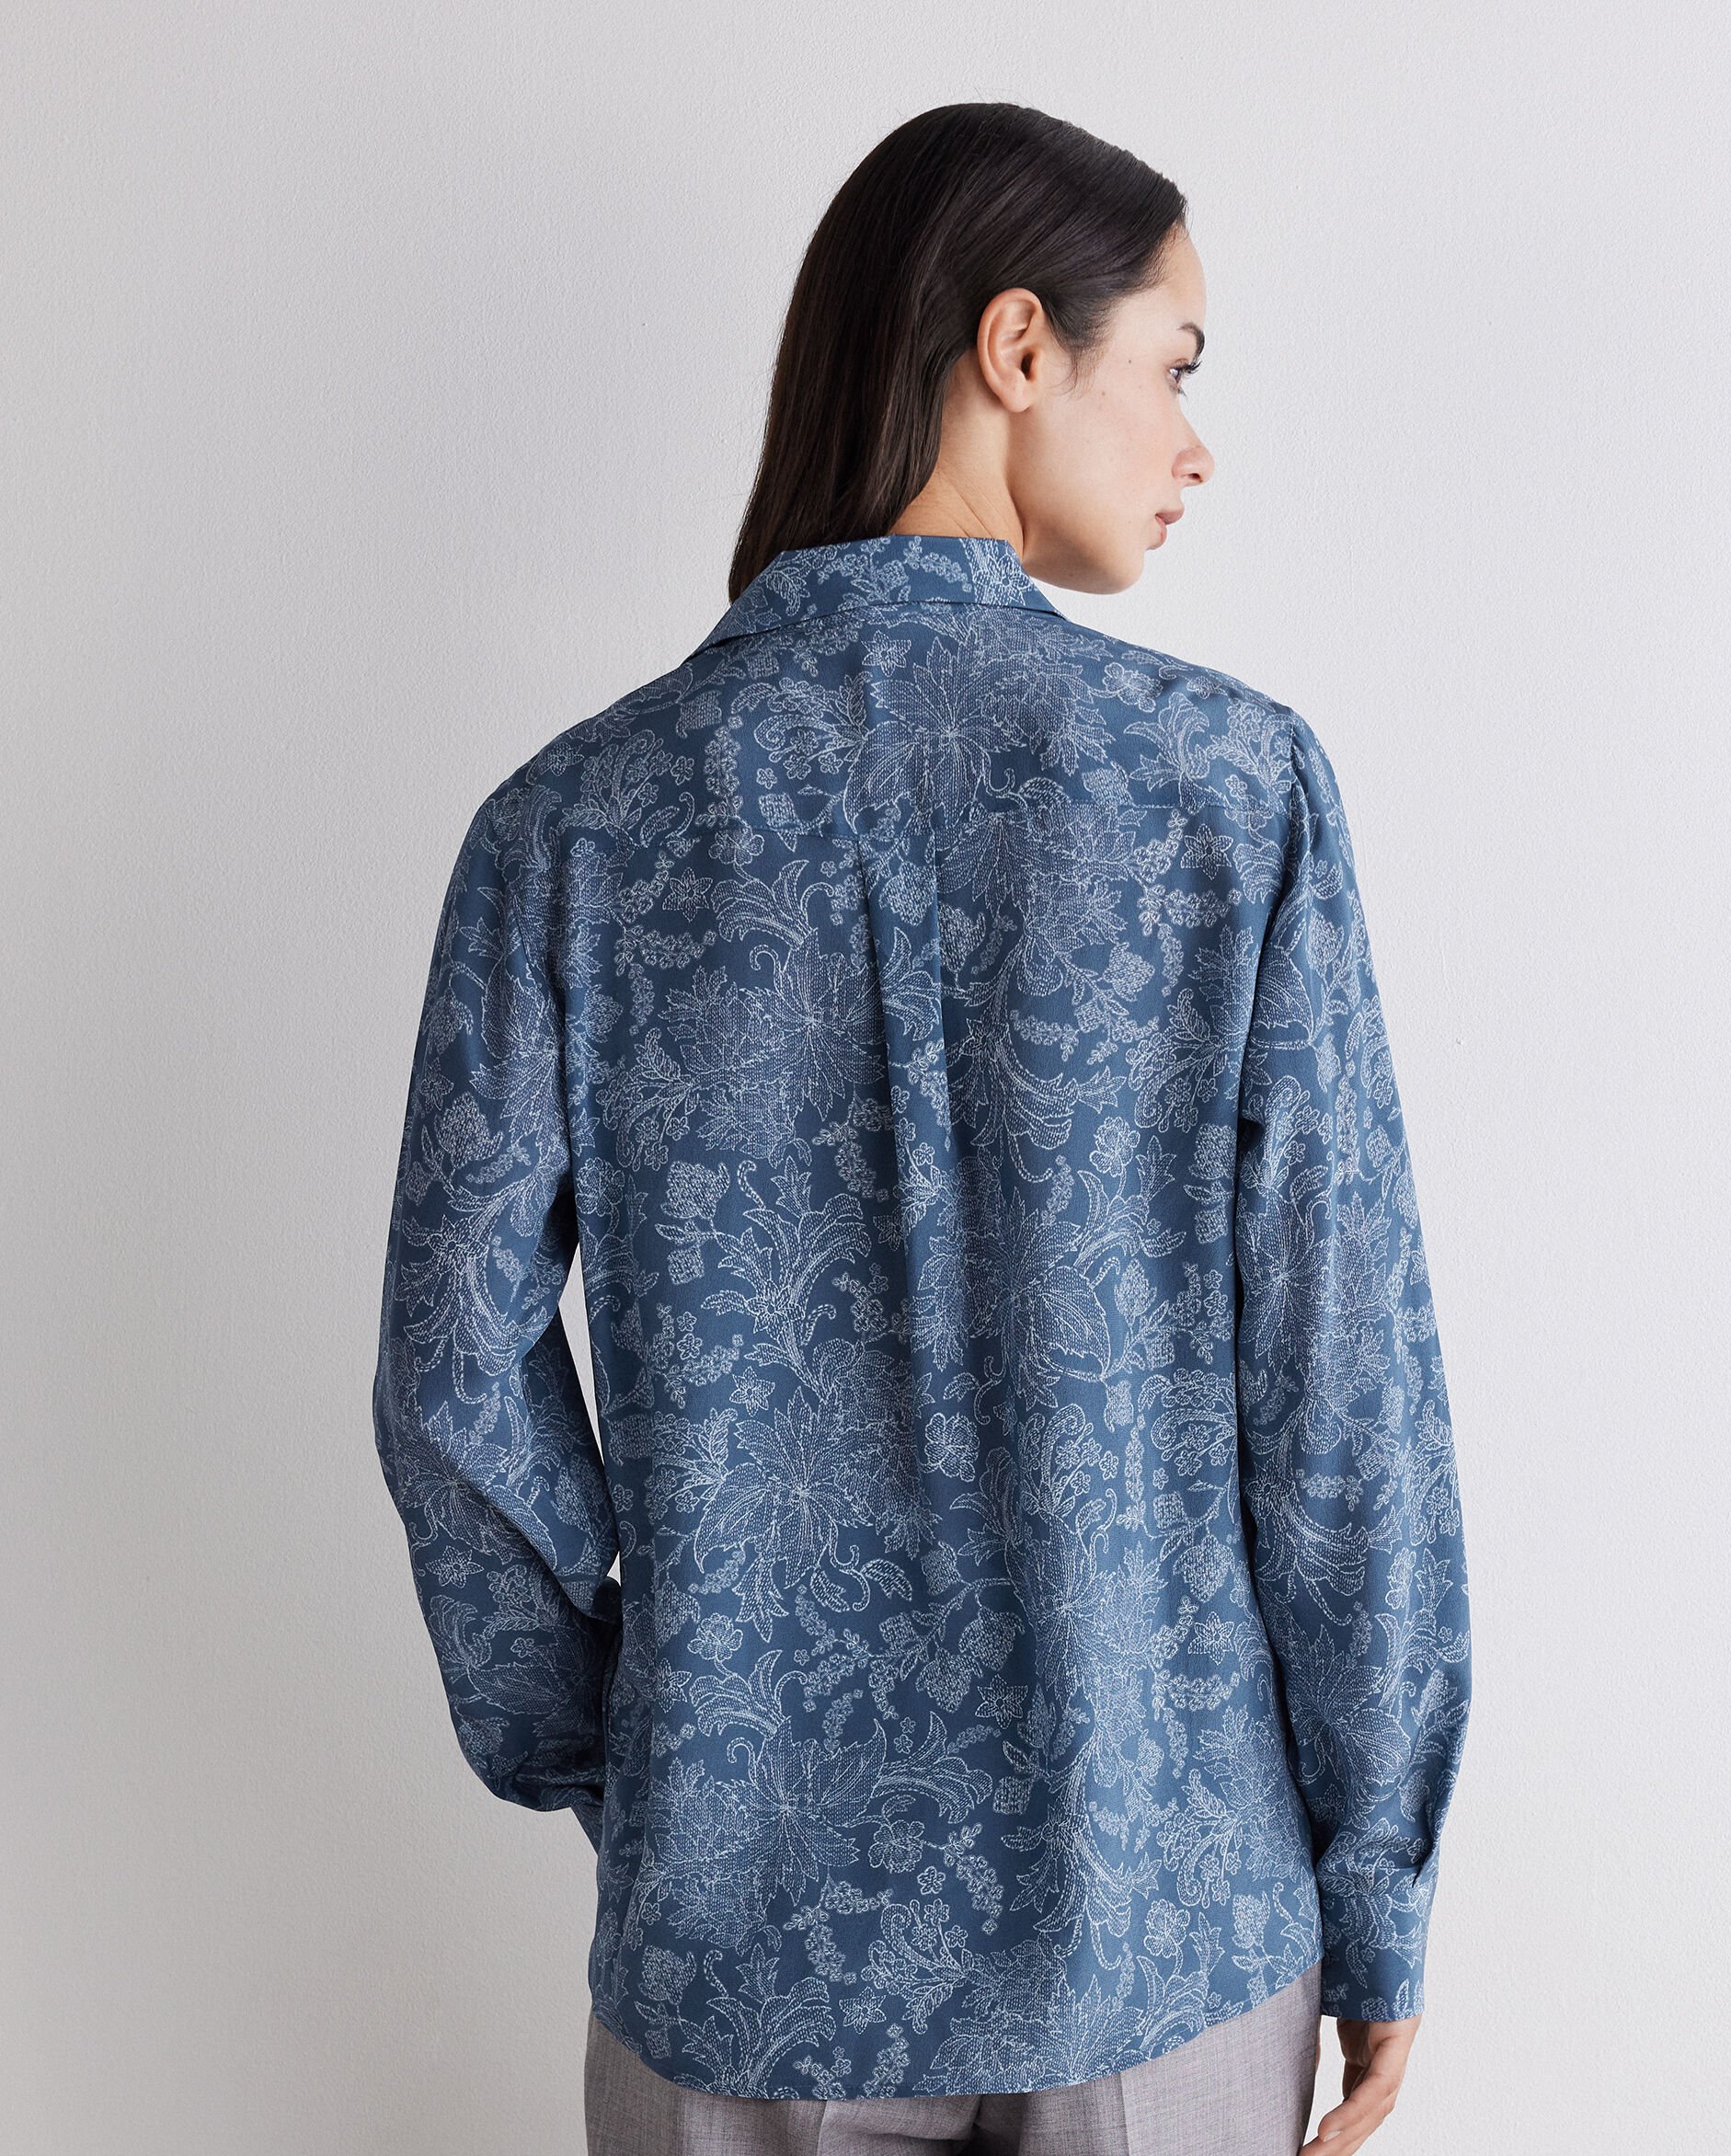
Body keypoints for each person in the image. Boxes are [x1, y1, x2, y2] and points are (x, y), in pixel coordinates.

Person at [371, 100, 1472, 2156]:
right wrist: (1379, 1877)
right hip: (1160, 1920)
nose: (1197, 445)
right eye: (1178, 366)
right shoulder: (1228, 793)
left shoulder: (570, 830)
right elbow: (1344, 1398)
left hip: (740, 1951)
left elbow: (452, 1378)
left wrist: (637, 1760)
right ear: (1018, 344)